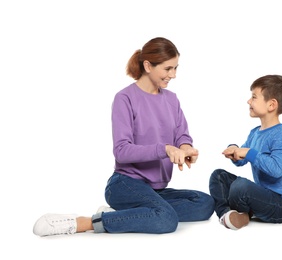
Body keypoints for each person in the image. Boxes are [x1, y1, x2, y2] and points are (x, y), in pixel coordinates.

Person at [33, 37, 215, 236]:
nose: (173, 75)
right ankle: (85, 223)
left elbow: (182, 135)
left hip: (155, 190)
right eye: (167, 68)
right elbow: (121, 151)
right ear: (147, 65)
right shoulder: (125, 98)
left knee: (205, 204)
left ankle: (132, 215)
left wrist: (186, 147)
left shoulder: (172, 99)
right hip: (125, 184)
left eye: (175, 68)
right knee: (166, 219)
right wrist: (165, 149)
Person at [209, 74, 282, 230]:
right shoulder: (255, 132)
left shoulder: (281, 136)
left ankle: (244, 213)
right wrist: (235, 151)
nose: (249, 101)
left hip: (281, 206)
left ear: (271, 105)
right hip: (262, 196)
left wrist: (249, 152)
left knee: (240, 187)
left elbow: (277, 169)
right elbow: (242, 159)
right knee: (218, 176)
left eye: (254, 97)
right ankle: (228, 215)